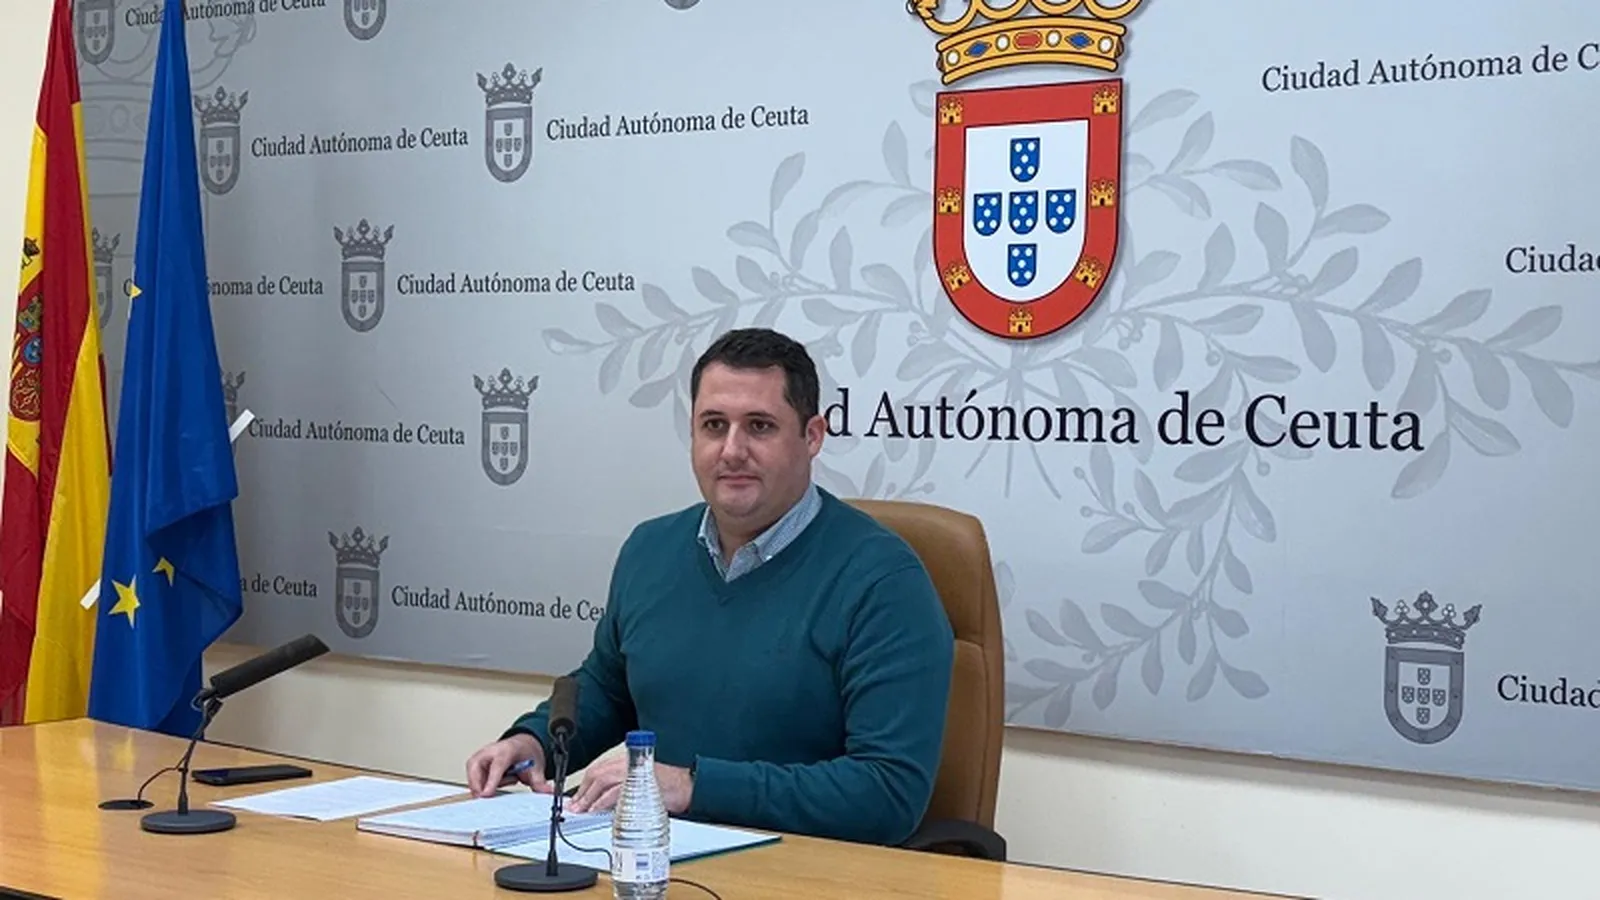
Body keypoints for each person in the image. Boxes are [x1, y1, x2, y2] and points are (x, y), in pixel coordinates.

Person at [464, 327, 955, 846]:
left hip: (806, 869)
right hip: (655, 856)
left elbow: (888, 793)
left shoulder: (883, 580)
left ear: (812, 437)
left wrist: (693, 787)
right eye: (714, 425)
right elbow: (609, 689)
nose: (732, 450)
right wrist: (534, 740)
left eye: (760, 427)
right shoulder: (650, 549)